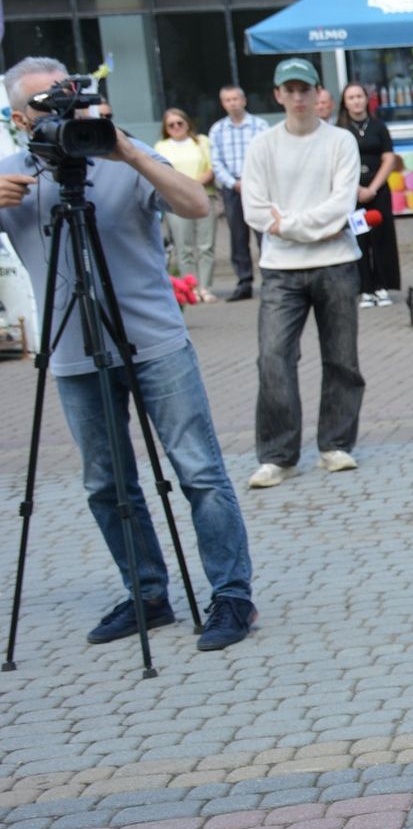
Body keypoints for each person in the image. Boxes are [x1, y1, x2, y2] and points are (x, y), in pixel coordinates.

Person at [0, 58, 257, 651]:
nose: (61, 112)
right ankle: (147, 593)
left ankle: (231, 595)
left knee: (198, 471)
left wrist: (129, 153)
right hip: (73, 352)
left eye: (67, 97)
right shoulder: (11, 176)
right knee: (104, 482)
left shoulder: (121, 154)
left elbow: (197, 206)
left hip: (155, 344)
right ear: (18, 118)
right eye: (43, 104)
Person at [242, 57, 365, 489]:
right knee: (273, 357)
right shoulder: (262, 146)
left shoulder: (340, 141)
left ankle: (336, 444)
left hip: (336, 262)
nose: (298, 97)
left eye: (304, 89)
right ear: (277, 95)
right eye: (289, 90)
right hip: (280, 269)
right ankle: (278, 455)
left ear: (317, 94)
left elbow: (341, 206)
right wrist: (313, 227)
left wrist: (287, 224)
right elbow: (255, 210)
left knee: (341, 357)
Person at [338, 82, 402, 307]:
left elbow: (389, 159)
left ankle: (382, 286)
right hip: (353, 193)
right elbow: (338, 165)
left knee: (381, 238)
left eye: (359, 96)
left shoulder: (379, 127)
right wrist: (357, 189)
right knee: (360, 239)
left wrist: (373, 188)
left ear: (366, 99)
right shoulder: (340, 131)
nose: (356, 101)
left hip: (378, 192)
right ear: (345, 103)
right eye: (351, 97)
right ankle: (365, 288)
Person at [209, 84, 266, 302]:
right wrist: (233, 183)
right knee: (238, 237)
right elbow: (216, 162)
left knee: (264, 233)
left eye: (236, 99)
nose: (233, 103)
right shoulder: (218, 130)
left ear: (244, 100)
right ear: (223, 104)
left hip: (258, 187)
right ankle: (244, 282)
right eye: (228, 100)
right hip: (232, 189)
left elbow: (267, 156)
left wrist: (251, 181)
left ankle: (270, 279)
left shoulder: (260, 126)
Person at [154, 107, 217, 301]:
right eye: (171, 125)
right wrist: (184, 190)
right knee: (184, 247)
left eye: (179, 123)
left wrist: (192, 187)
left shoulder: (201, 141)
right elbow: (161, 173)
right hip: (176, 200)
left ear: (187, 123)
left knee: (206, 245)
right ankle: (191, 288)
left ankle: (205, 287)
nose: (176, 127)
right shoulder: (161, 146)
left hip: (204, 196)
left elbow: (211, 168)